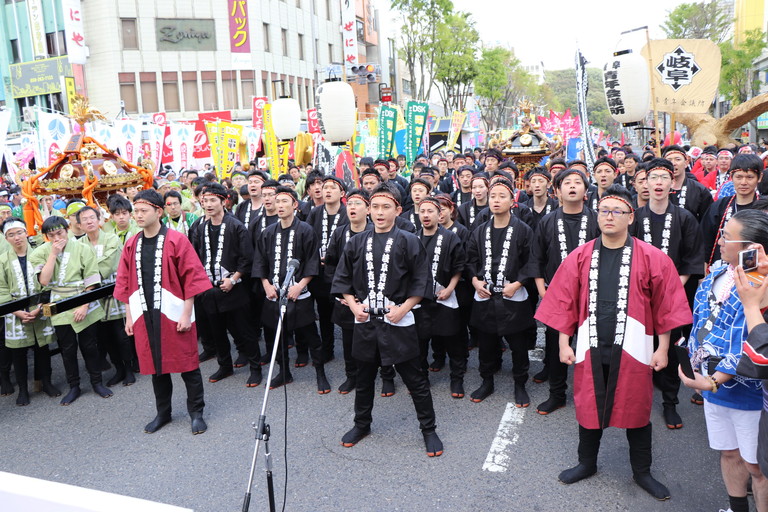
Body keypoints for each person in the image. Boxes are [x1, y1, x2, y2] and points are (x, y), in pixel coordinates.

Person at [535, 184, 691, 500]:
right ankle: (586, 462)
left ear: (630, 216)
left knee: (637, 406)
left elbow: (665, 306)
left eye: (616, 211)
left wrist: (663, 348)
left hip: (635, 347)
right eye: (604, 211)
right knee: (589, 401)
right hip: (591, 343)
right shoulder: (580, 256)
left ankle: (642, 471)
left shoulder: (653, 258)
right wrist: (564, 342)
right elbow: (564, 301)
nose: (609, 217)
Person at [331, 183, 443, 457]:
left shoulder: (409, 240)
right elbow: (342, 279)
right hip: (366, 319)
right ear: (368, 210)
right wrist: (352, 304)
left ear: (398, 210)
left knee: (415, 379)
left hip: (398, 318)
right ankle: (361, 424)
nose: (380, 213)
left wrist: (404, 308)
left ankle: (429, 430)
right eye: (376, 207)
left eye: (386, 207)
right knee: (364, 377)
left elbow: (422, 281)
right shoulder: (356, 241)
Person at [681, 210, 768, 512]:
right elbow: (700, 323)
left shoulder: (761, 285)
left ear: (752, 248)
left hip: (749, 391)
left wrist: (714, 379)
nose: (719, 241)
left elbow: (753, 344)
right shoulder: (718, 272)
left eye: (728, 237)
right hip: (711, 384)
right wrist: (695, 363)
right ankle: (736, 507)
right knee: (729, 452)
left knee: (758, 467)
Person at [114, 189, 211, 434]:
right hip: (144, 315)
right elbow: (125, 282)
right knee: (156, 367)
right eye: (135, 211)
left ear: (158, 211)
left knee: (188, 365)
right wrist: (128, 316)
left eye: (143, 211)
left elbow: (192, 277)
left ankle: (196, 413)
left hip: (175, 312)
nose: (138, 215)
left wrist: (187, 313)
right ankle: (163, 413)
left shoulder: (177, 239)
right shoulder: (132, 243)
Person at [629, 158, 704, 429]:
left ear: (672, 183)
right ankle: (637, 400)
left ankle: (670, 403)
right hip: (638, 296)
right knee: (637, 348)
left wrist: (670, 286)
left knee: (670, 350)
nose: (658, 182)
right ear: (645, 183)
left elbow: (692, 260)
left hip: (673, 294)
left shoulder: (684, 219)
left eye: (664, 177)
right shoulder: (635, 218)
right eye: (653, 177)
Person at [530, 168, 600, 414]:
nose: (572, 186)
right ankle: (557, 394)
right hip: (556, 293)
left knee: (594, 346)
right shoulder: (548, 221)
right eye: (566, 183)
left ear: (585, 190)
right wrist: (543, 292)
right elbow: (537, 259)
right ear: (557, 191)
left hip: (593, 294)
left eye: (577, 182)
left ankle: (594, 393)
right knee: (555, 345)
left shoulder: (597, 219)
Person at [252, 186, 330, 393]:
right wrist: (266, 284)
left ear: (295, 205)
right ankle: (283, 371)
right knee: (277, 336)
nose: (280, 206)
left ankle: (320, 373)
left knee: (311, 336)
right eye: (277, 202)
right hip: (274, 292)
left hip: (299, 291)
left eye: (285, 201)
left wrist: (300, 285)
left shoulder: (305, 230)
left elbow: (312, 261)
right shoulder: (268, 232)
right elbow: (260, 261)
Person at [466, 178, 536, 405]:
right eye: (493, 196)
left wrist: (518, 283)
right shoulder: (479, 231)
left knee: (518, 345)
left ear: (512, 201)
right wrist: (476, 281)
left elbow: (531, 262)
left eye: (502, 196)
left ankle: (520, 384)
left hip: (513, 296)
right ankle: (486, 381)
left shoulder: (523, 230)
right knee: (486, 345)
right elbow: (470, 260)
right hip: (485, 295)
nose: (496, 200)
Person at [31, 216, 111, 405]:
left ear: (67, 230)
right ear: (46, 237)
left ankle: (97, 382)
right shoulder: (40, 253)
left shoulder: (83, 248)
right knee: (67, 348)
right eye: (52, 235)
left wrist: (84, 306)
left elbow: (91, 279)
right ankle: (74, 386)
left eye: (60, 232)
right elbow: (43, 281)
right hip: (59, 301)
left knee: (89, 345)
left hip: (83, 298)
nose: (57, 237)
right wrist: (53, 254)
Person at [189, 182, 262, 387]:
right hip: (209, 287)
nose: (209, 204)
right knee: (216, 330)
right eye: (205, 200)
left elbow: (247, 258)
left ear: (224, 201)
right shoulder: (201, 227)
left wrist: (234, 278)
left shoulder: (236, 226)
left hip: (234, 286)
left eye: (213, 200)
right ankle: (225, 365)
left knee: (244, 330)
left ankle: (255, 368)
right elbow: (196, 257)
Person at [0, 217, 59, 406]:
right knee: (18, 354)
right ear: (6, 238)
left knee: (43, 349)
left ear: (26, 232)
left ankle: (47, 383)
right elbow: (1, 290)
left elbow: (49, 281)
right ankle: (23, 390)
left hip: (40, 308)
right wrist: (17, 311)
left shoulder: (39, 254)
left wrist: (40, 307)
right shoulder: (2, 261)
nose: (16, 237)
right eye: (11, 234)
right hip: (15, 313)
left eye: (19, 232)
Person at [76, 206, 136, 387]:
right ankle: (118, 369)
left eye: (92, 217)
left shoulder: (111, 238)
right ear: (79, 224)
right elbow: (77, 269)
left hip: (114, 291)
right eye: (84, 219)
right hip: (94, 295)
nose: (89, 221)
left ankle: (129, 369)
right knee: (106, 337)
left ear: (99, 219)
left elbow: (109, 265)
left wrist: (89, 271)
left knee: (121, 334)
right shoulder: (79, 244)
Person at [416, 197, 467, 397]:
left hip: (446, 295)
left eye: (431, 211)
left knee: (452, 339)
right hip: (420, 299)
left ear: (440, 215)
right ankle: (422, 379)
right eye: (423, 211)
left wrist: (449, 288)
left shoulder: (450, 237)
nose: (426, 215)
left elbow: (458, 268)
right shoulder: (413, 238)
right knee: (420, 342)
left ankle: (457, 379)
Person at [306, 175, 349, 364]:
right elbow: (307, 239)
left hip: (342, 271)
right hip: (320, 270)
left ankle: (352, 352)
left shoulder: (349, 212)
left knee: (345, 311)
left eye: (333, 187)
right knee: (324, 313)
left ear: (342, 193)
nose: (328, 190)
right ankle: (327, 348)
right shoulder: (315, 213)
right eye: (325, 187)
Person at [702, 154, 762, 269]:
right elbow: (706, 242)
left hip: (757, 270)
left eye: (750, 177)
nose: (743, 182)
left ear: (759, 177)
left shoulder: (764, 207)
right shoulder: (719, 206)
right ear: (731, 177)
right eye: (739, 177)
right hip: (721, 269)